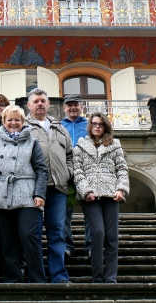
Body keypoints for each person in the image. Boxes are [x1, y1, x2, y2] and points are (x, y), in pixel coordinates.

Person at [0, 105, 48, 283]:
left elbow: (41, 170)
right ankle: (12, 279)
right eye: (10, 120)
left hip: (27, 195)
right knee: (7, 241)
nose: (13, 123)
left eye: (17, 120)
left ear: (23, 122)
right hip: (0, 196)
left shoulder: (32, 143)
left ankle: (37, 280)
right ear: (3, 122)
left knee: (28, 236)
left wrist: (39, 194)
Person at [73, 112, 129, 284]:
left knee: (112, 235)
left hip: (111, 194)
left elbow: (122, 169)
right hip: (91, 196)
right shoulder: (80, 146)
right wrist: (86, 191)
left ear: (106, 127)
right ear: (90, 126)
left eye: (101, 124)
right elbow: (78, 171)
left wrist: (121, 189)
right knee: (98, 232)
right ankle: (97, 276)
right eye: (94, 124)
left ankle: (110, 277)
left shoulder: (115, 145)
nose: (97, 127)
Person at [26, 88, 73, 283]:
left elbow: (70, 155)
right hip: (33, 189)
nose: (39, 104)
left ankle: (59, 275)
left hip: (58, 189)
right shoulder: (24, 128)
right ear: (28, 105)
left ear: (48, 104)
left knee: (57, 233)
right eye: (35, 101)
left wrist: (67, 172)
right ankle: (37, 276)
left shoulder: (59, 128)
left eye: (42, 101)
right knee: (34, 234)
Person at [60, 94, 91, 261]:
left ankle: (91, 247)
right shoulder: (58, 126)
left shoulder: (89, 125)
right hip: (66, 171)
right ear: (64, 107)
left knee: (90, 211)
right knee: (64, 212)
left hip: (86, 171)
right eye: (69, 105)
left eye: (76, 105)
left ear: (81, 106)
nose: (73, 108)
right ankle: (67, 247)